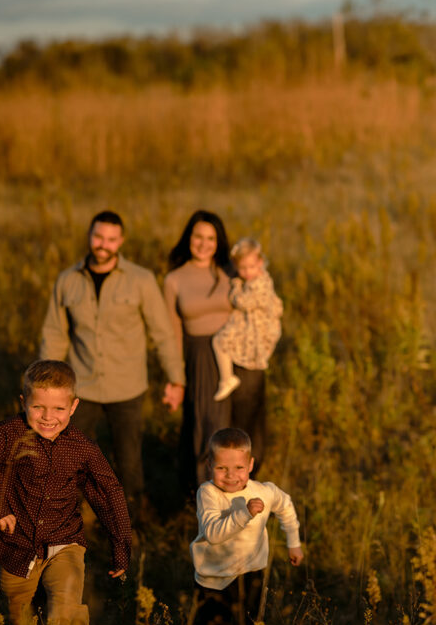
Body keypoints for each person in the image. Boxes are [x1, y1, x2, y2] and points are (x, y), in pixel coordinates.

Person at [0, 360, 132, 625]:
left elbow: (108, 491)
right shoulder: (11, 435)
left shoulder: (81, 448)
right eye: (39, 408)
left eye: (59, 409)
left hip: (66, 543)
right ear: (23, 403)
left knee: (65, 612)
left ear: (74, 406)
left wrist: (121, 548)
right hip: (16, 546)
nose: (48, 418)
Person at [39, 210, 185, 514]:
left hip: (127, 388)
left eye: (110, 239)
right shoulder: (67, 280)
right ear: (89, 236)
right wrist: (45, 390)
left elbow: (162, 333)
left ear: (121, 241)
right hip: (82, 388)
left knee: (128, 462)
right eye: (98, 237)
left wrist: (176, 379)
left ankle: (131, 524)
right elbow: (54, 335)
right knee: (69, 459)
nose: (103, 244)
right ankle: (69, 524)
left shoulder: (141, 280)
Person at [164, 211, 271, 488]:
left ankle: (246, 501)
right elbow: (172, 332)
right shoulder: (174, 279)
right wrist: (176, 378)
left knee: (248, 433)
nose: (203, 243)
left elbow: (262, 293)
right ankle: (210, 507)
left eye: (210, 238)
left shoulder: (231, 270)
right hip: (201, 357)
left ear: (218, 241)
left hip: (241, 354)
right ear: (188, 238)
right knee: (212, 433)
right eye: (198, 236)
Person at [190, 427, 303, 625]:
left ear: (250, 464)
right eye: (222, 468)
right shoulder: (208, 493)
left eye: (239, 468)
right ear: (210, 465)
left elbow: (285, 506)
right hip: (214, 580)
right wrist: (244, 513)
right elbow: (212, 534)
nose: (231, 476)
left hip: (251, 573)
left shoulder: (263, 491)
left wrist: (293, 542)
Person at [212, 238, 283, 402]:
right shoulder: (258, 279)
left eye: (251, 267)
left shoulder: (259, 284)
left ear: (260, 262)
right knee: (220, 341)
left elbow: (243, 302)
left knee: (219, 341)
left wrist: (235, 288)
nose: (247, 272)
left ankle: (227, 379)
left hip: (255, 328)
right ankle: (227, 378)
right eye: (242, 268)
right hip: (249, 325)